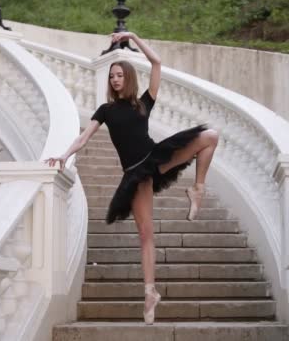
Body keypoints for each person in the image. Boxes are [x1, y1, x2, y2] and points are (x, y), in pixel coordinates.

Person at [46, 32, 219, 325]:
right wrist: (64, 155)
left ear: (128, 77)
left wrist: (132, 36)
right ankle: (150, 292)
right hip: (135, 173)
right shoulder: (106, 110)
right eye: (111, 76)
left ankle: (198, 190)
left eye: (119, 75)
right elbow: (84, 137)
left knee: (210, 136)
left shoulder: (144, 103)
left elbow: (157, 63)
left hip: (156, 158)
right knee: (145, 233)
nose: (115, 80)